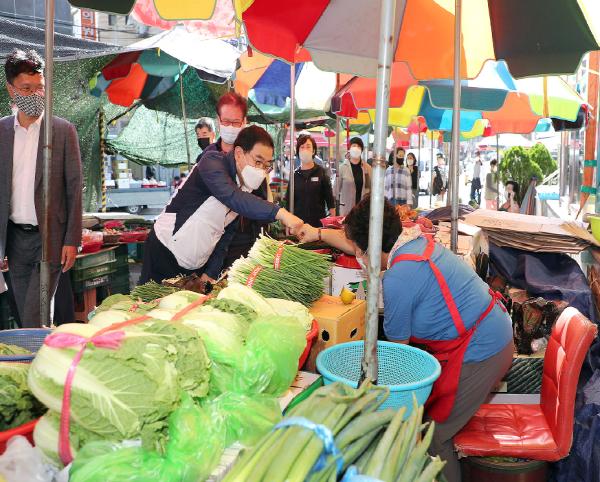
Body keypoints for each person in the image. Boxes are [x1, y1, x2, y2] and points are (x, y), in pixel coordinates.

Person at [296, 196, 513, 482]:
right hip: (491, 329)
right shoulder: (413, 241)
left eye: (360, 250)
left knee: (433, 436)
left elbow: (399, 358)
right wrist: (318, 233)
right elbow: (362, 244)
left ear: (371, 246)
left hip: (483, 349)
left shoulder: (398, 278)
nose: (358, 255)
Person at [140, 125, 303, 284]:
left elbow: (226, 233)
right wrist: (282, 214)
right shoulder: (212, 163)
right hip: (165, 250)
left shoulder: (245, 186)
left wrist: (210, 272)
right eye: (258, 161)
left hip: (196, 262)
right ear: (238, 153)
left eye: (266, 165)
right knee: (153, 300)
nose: (261, 170)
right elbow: (233, 197)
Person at [0, 49, 82, 327]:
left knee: (36, 314)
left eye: (40, 87)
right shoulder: (2, 131)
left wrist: (72, 239)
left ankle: (37, 350)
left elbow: (74, 187)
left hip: (50, 237)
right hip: (15, 239)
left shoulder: (62, 131)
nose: (35, 95)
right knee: (26, 314)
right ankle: (40, 351)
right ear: (11, 90)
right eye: (26, 88)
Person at [195, 93, 270, 269]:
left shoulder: (254, 155)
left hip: (247, 241)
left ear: (244, 121)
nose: (230, 127)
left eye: (236, 123)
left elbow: (262, 199)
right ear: (218, 120)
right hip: (212, 245)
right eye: (226, 122)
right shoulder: (206, 158)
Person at [286, 134, 335, 228]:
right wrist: (288, 224)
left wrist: (333, 222)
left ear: (313, 151)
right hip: (298, 224)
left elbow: (330, 200)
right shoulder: (294, 175)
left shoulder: (321, 172)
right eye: (302, 147)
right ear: (298, 151)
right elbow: (289, 202)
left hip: (318, 224)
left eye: (308, 147)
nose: (305, 150)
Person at [336, 137, 372, 216]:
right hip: (346, 211)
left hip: (363, 211)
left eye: (359, 146)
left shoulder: (368, 168)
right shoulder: (342, 168)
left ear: (361, 150)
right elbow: (335, 190)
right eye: (354, 145)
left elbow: (371, 188)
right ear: (349, 148)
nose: (356, 148)